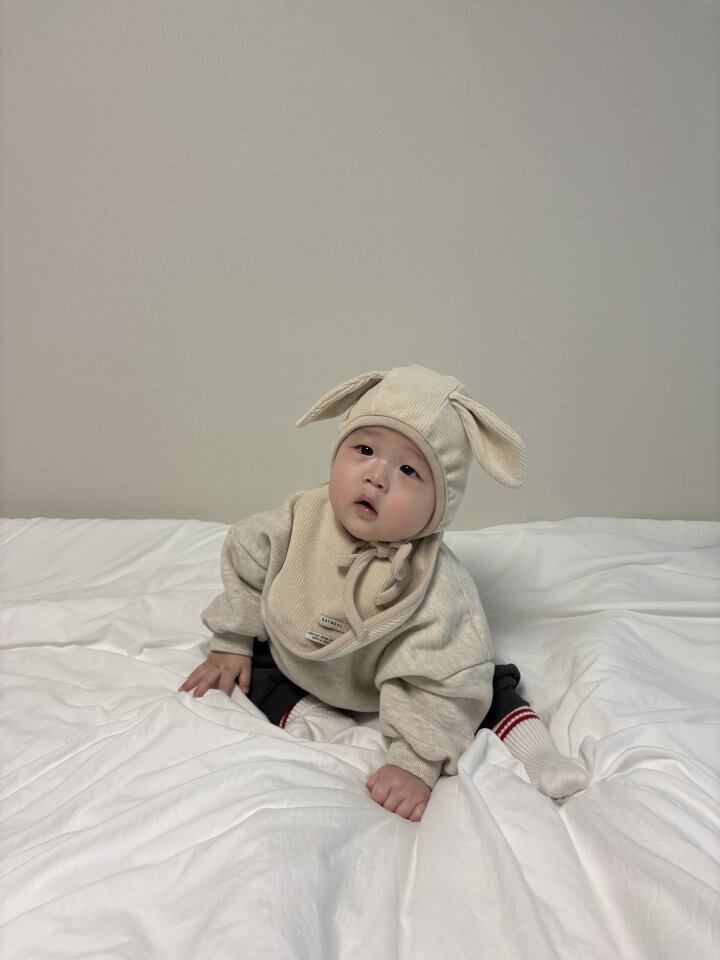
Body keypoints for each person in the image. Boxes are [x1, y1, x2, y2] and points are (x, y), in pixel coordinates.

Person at [179, 364, 588, 821]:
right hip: (304, 658)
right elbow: (247, 555)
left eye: (410, 469)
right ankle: (310, 714)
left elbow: (445, 679)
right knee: (252, 664)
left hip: (392, 676)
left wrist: (415, 762)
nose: (376, 476)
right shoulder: (298, 519)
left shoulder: (437, 589)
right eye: (365, 449)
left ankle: (533, 746)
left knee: (472, 679)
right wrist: (232, 640)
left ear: (440, 504)